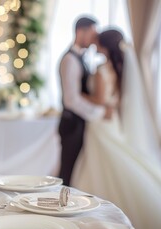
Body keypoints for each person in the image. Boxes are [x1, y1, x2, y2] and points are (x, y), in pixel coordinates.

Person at [72, 29, 161, 229]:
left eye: (98, 42)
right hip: (111, 122)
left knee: (102, 162)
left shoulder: (103, 69)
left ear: (104, 46)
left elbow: (101, 100)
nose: (95, 45)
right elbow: (116, 100)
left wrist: (79, 94)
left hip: (101, 125)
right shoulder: (119, 68)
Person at [58, 16, 112, 186]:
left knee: (77, 172)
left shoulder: (83, 58)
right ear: (80, 32)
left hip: (82, 123)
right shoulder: (69, 60)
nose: (95, 39)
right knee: (67, 171)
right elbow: (71, 100)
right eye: (92, 34)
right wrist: (100, 112)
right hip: (72, 124)